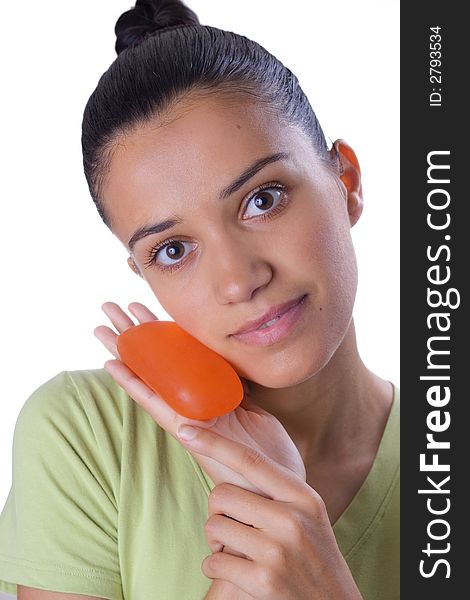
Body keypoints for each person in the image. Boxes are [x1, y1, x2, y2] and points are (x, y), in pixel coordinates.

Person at [0, 0, 399, 598]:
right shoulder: (87, 435)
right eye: (173, 250)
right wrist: (253, 546)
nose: (239, 280)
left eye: (262, 199)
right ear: (142, 274)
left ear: (346, 184)